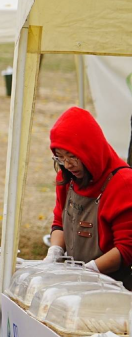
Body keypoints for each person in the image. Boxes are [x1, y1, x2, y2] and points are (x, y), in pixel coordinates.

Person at [43, 107, 132, 286]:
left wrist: (90, 271)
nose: (67, 165)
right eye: (60, 157)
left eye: (73, 157)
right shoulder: (66, 178)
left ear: (90, 150)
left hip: (115, 285)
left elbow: (127, 248)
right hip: (76, 282)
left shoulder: (123, 183)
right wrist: (55, 251)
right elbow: (60, 222)